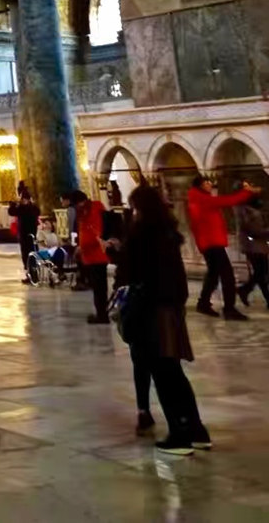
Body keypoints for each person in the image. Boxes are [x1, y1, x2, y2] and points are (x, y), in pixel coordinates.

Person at [114, 182, 210, 456]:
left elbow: (133, 274)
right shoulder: (168, 234)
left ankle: (179, 436)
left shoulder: (144, 236)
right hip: (172, 311)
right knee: (174, 372)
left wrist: (120, 252)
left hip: (152, 313)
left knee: (163, 374)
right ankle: (196, 430)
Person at [186, 175, 254, 320]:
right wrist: (246, 192)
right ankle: (229, 309)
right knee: (227, 275)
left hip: (207, 243)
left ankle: (203, 303)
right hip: (212, 243)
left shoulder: (197, 198)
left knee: (213, 274)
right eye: (207, 182)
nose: (210, 184)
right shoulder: (202, 199)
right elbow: (228, 201)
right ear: (200, 185)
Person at [64, 188, 110, 323]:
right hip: (91, 256)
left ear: (80, 202)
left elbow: (96, 233)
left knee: (99, 288)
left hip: (96, 256)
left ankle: (102, 316)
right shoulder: (86, 210)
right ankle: (101, 313)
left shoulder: (93, 210)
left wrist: (81, 247)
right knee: (98, 288)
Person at [238, 192, 269, 308]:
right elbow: (256, 231)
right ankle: (244, 290)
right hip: (255, 247)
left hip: (255, 246)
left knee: (261, 273)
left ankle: (245, 290)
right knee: (261, 273)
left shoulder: (248, 212)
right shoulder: (252, 213)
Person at [9, 184, 41, 284]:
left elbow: (12, 211)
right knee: (28, 256)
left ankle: (33, 275)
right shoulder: (31, 208)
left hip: (28, 235)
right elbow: (12, 212)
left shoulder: (25, 208)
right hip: (27, 236)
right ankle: (31, 275)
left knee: (30, 256)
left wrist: (14, 205)